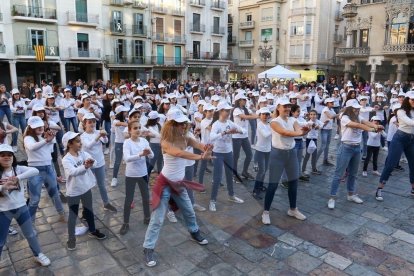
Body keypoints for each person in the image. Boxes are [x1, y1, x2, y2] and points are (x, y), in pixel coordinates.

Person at [142, 109, 213, 267]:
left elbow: (200, 146)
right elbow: (179, 153)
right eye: (179, 124)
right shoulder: (165, 141)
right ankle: (148, 248)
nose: (183, 126)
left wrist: (206, 148)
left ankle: (194, 232)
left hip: (179, 184)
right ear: (170, 125)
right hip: (164, 184)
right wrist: (200, 157)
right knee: (158, 219)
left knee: (189, 210)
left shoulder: (186, 137)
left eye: (184, 124)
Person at [0, 144, 51, 266]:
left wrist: (17, 178)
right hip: (3, 211)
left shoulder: (17, 169)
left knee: (30, 234)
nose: (6, 158)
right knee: (1, 240)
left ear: (13, 157)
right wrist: (3, 187)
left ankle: (38, 254)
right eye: (2, 155)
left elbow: (35, 170)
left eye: (9, 155)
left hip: (21, 208)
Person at [328, 99, 382, 209]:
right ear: (349, 109)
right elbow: (357, 125)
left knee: (353, 173)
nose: (357, 110)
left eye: (358, 108)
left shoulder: (358, 116)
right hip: (346, 147)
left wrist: (376, 126)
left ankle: (351, 194)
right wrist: (372, 129)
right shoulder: (344, 117)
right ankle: (332, 197)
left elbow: (366, 122)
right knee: (339, 174)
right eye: (355, 109)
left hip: (357, 148)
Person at [262, 98, 309, 225]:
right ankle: (266, 212)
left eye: (289, 106)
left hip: (291, 153)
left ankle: (293, 209)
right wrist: (301, 132)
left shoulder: (293, 120)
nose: (288, 109)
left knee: (294, 182)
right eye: (285, 106)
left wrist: (304, 131)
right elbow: (284, 133)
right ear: (278, 107)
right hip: (277, 155)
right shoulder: (274, 122)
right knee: (273, 184)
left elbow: (299, 130)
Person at [61, 132, 107, 250]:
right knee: (73, 215)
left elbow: (94, 163)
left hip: (86, 188)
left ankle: (92, 230)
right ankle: (71, 238)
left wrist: (91, 161)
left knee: (89, 210)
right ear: (69, 144)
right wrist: (85, 166)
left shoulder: (82, 153)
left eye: (80, 140)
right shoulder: (66, 159)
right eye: (77, 141)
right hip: (74, 191)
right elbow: (73, 172)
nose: (80, 143)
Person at [24, 116, 65, 227]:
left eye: (41, 126)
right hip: (35, 171)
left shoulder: (45, 137)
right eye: (36, 126)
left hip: (48, 168)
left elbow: (50, 151)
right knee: (34, 200)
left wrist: (50, 139)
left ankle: (62, 214)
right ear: (31, 128)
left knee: (55, 194)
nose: (40, 128)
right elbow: (32, 147)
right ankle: (30, 222)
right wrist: (46, 140)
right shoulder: (28, 138)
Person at [376, 92, 414, 201]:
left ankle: (413, 189)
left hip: (411, 140)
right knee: (390, 164)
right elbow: (410, 122)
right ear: (407, 100)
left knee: (413, 164)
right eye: (412, 99)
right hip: (400, 139)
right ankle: (379, 188)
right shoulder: (401, 111)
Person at [209, 102, 245, 212]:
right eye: (226, 111)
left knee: (230, 174)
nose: (229, 112)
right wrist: (224, 132)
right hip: (218, 153)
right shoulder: (216, 124)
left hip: (229, 152)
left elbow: (243, 130)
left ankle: (231, 195)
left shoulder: (230, 122)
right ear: (220, 111)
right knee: (217, 177)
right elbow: (212, 137)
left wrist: (236, 131)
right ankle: (212, 201)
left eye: (229, 111)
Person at [120, 120, 153, 235]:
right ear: (129, 130)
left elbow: (151, 155)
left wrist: (148, 152)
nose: (138, 130)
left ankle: (147, 217)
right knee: (128, 199)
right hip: (131, 175)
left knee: (145, 197)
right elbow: (127, 159)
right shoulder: (127, 143)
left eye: (139, 127)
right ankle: (125, 223)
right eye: (135, 128)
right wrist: (140, 154)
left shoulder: (144, 141)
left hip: (143, 173)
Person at [80, 113, 117, 212]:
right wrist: (99, 136)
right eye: (89, 122)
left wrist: (104, 136)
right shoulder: (83, 136)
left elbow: (105, 141)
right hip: (89, 165)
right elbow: (88, 146)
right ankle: (86, 208)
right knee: (88, 186)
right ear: (84, 124)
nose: (92, 124)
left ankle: (106, 203)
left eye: (94, 121)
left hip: (100, 163)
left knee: (102, 185)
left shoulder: (98, 132)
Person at [252, 107, 272, 200]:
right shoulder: (260, 124)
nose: (265, 116)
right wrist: (274, 128)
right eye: (263, 114)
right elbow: (265, 135)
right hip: (260, 150)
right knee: (261, 171)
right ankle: (255, 190)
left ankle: (260, 186)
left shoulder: (269, 124)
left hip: (268, 150)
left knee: (265, 170)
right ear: (260, 116)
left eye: (267, 114)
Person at [111, 105, 129, 187]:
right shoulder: (115, 121)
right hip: (119, 142)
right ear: (120, 113)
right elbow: (121, 124)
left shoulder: (126, 119)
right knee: (118, 161)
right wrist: (130, 123)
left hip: (128, 142)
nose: (126, 113)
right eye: (125, 112)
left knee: (129, 160)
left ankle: (130, 176)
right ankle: (114, 178)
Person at [316, 98, 338, 166]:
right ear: (327, 103)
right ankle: (315, 160)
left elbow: (336, 116)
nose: (332, 103)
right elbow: (331, 116)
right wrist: (339, 113)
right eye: (331, 102)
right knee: (323, 146)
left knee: (327, 146)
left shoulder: (332, 109)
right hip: (324, 129)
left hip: (329, 129)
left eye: (332, 102)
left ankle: (325, 160)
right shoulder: (325, 109)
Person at [302, 110, 323, 175]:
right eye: (311, 114)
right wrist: (310, 127)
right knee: (307, 155)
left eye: (314, 114)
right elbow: (305, 128)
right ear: (309, 116)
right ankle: (303, 169)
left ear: (317, 115)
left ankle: (314, 168)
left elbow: (321, 125)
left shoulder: (318, 121)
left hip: (314, 140)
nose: (313, 116)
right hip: (309, 140)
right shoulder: (308, 122)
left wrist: (318, 126)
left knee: (314, 155)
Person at [9, 88, 27, 153]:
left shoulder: (22, 99)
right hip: (15, 116)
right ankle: (14, 145)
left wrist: (21, 108)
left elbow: (25, 107)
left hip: (22, 116)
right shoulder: (11, 100)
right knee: (15, 131)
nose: (17, 95)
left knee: (24, 131)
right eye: (15, 94)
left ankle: (26, 145)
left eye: (17, 94)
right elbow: (11, 108)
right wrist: (17, 109)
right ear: (13, 95)